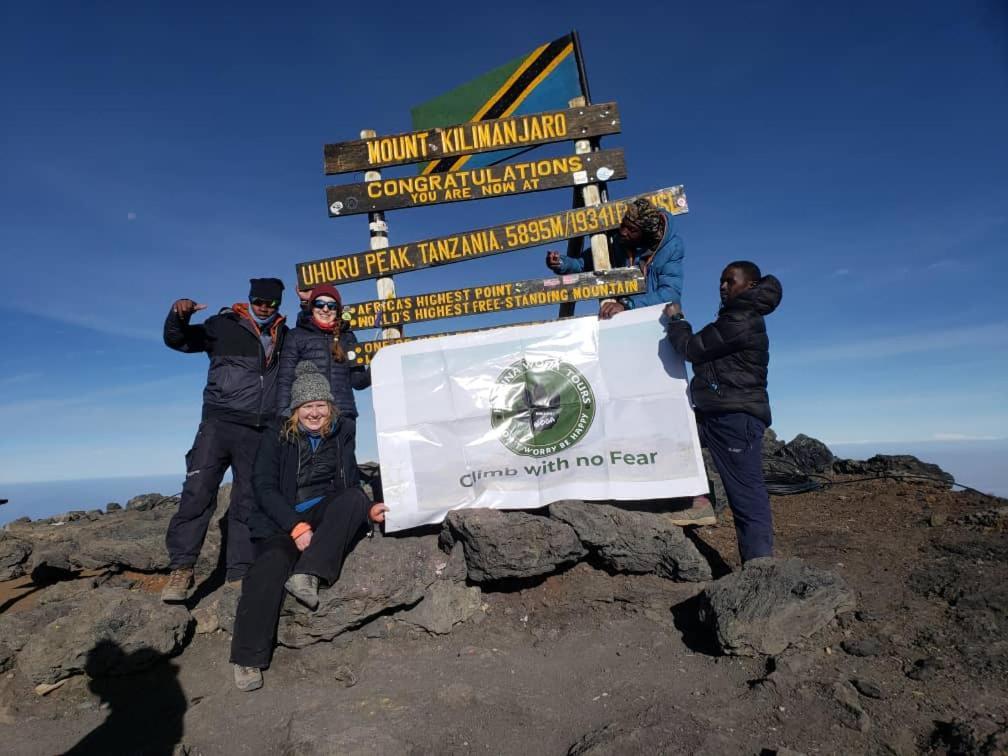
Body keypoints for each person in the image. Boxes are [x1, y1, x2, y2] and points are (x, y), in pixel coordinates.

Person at [229, 361, 387, 692]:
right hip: (280, 520)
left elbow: (348, 480)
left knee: (355, 497)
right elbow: (264, 487)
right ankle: (248, 657)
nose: (314, 414)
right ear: (295, 409)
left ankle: (308, 574)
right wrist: (296, 526)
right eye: (307, 407)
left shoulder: (339, 433)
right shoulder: (276, 435)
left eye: (320, 406)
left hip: (322, 512)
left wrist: (367, 510)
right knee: (268, 568)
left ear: (329, 407)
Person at [161, 278, 288, 602]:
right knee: (197, 493)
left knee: (248, 500)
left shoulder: (284, 335)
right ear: (249, 298)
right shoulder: (223, 324)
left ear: (278, 305)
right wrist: (179, 314)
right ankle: (182, 569)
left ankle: (239, 572)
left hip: (258, 429)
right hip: (218, 423)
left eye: (270, 303)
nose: (263, 307)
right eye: (258, 300)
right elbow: (178, 340)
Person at [665, 261, 783, 563]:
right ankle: (700, 499)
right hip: (717, 414)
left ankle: (761, 573)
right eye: (721, 281)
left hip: (735, 419)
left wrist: (677, 320)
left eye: (730, 281)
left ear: (750, 285)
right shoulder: (736, 317)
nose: (723, 286)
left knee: (747, 498)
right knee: (674, 438)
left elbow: (692, 348)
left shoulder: (741, 320)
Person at [546, 197, 684, 319]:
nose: (623, 232)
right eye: (623, 225)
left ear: (646, 235)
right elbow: (583, 263)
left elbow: (671, 293)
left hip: (658, 321)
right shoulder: (619, 241)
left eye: (632, 230)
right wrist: (561, 263)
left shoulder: (672, 247)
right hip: (622, 319)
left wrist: (630, 304)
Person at [277, 284, 370, 440]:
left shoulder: (348, 337)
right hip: (309, 417)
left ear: (338, 310)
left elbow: (357, 381)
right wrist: (283, 415)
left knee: (345, 464)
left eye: (331, 306)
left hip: (343, 415)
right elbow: (285, 379)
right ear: (311, 307)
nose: (325, 309)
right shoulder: (296, 336)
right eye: (319, 304)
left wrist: (378, 366)